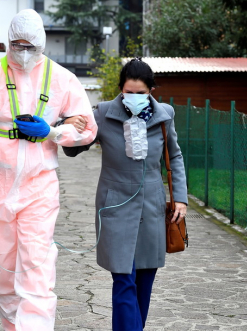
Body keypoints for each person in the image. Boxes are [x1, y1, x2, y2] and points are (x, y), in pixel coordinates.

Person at [0, 9, 97, 331]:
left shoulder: (62, 78)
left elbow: (88, 129)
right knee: (3, 275)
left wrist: (54, 132)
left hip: (38, 188)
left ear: (43, 43)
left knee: (36, 270)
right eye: (17, 45)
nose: (24, 52)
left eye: (31, 45)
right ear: (8, 42)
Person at [62, 58, 188, 330]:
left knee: (144, 283)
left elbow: (174, 156)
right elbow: (73, 149)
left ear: (151, 91)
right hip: (115, 207)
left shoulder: (165, 115)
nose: (134, 98)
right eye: (128, 92)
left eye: (140, 93)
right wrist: (70, 125)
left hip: (151, 207)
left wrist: (181, 198)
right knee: (123, 279)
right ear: (120, 89)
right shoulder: (103, 113)